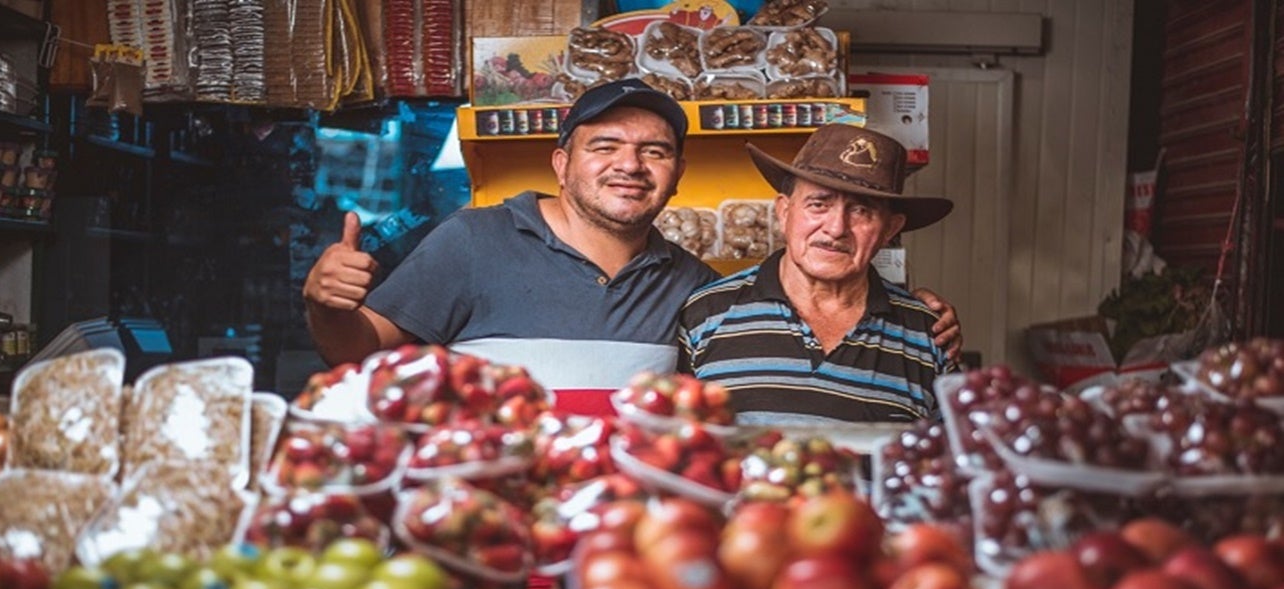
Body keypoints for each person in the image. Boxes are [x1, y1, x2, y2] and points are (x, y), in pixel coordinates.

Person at [303, 78, 961, 416]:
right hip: (488, 550)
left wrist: (912, 316)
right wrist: (327, 307)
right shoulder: (472, 242)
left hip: (628, 557)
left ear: (675, 176)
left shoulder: (693, 291)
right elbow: (356, 354)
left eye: (655, 152)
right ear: (562, 164)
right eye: (606, 148)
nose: (631, 166)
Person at [677, 122, 957, 426]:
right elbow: (667, 446)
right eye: (818, 204)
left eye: (861, 210)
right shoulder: (704, 315)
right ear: (784, 213)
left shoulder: (929, 334)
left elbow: (953, 459)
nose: (836, 228)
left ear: (890, 229)